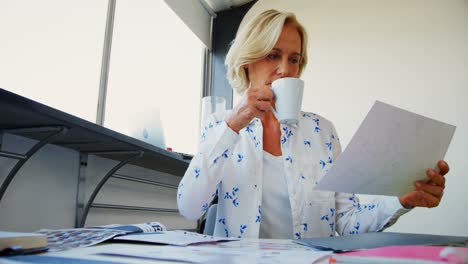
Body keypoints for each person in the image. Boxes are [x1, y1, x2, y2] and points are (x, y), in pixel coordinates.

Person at [177, 9, 449, 239]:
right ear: (247, 62)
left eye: (293, 59)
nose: (285, 69)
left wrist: (401, 201)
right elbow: (190, 207)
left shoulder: (323, 132)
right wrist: (232, 125)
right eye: (273, 55)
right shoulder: (220, 126)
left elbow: (346, 222)